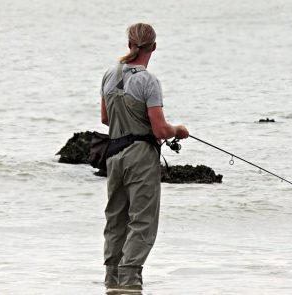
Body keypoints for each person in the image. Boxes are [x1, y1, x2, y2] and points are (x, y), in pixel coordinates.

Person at [100, 23, 189, 291]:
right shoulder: (147, 80)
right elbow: (160, 129)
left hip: (113, 155)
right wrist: (179, 131)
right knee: (142, 220)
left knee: (116, 218)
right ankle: (129, 279)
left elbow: (105, 119)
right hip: (140, 156)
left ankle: (111, 279)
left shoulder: (108, 74)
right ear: (154, 47)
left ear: (130, 44)